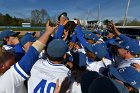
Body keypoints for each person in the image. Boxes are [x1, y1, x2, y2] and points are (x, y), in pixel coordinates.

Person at [0, 20, 54, 93]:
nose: (11, 53)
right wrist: (47, 33)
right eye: (6, 54)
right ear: (1, 66)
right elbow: (32, 53)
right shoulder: (8, 77)